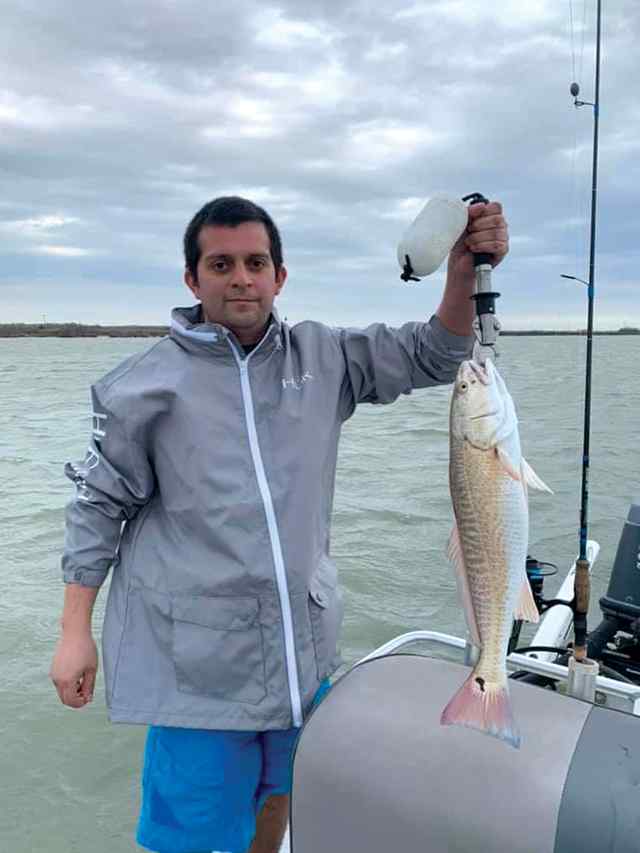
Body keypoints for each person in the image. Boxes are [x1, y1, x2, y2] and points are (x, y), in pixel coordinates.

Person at [50, 195, 509, 853]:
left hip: (300, 661)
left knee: (279, 798)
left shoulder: (326, 358)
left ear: (279, 276)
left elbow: (436, 353)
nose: (241, 277)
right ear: (192, 279)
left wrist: (462, 272)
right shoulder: (140, 386)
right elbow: (95, 507)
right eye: (221, 263)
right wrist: (74, 632)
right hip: (196, 677)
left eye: (256, 262)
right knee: (188, 835)